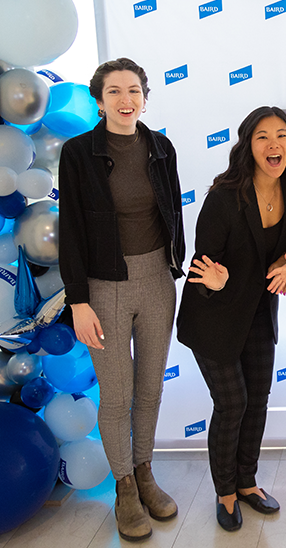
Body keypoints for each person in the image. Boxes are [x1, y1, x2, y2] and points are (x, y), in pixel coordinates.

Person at [59, 58, 185, 542]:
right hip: (104, 285)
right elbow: (69, 227)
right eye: (114, 91)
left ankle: (146, 472)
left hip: (156, 279)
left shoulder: (160, 147)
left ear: (145, 97)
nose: (125, 100)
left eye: (134, 90)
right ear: (99, 99)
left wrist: (176, 264)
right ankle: (125, 487)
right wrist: (78, 300)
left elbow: (171, 209)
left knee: (150, 388)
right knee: (117, 395)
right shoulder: (77, 153)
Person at [175, 107, 286, 532]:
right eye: (263, 136)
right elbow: (201, 271)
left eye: (282, 135)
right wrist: (217, 279)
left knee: (258, 401)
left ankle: (248, 482)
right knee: (233, 403)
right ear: (247, 145)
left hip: (257, 315)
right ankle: (226, 492)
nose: (274, 144)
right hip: (214, 316)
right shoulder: (225, 196)